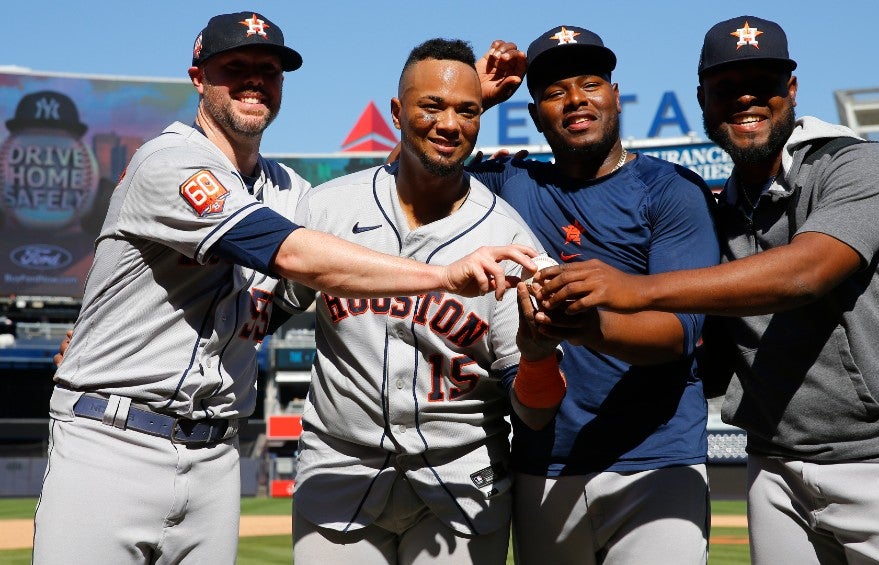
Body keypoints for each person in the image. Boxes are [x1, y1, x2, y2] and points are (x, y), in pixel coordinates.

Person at [32, 13, 536, 565]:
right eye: (236, 68)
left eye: (269, 70)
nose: (254, 80)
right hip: (115, 435)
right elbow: (292, 253)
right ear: (198, 77)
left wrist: (455, 107)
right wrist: (443, 276)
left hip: (215, 454)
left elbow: (384, 194)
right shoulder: (168, 160)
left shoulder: (293, 193)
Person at [538, 15, 879, 564]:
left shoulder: (860, 164)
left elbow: (805, 273)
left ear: (790, 90)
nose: (745, 101)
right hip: (773, 470)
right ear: (703, 101)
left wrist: (635, 291)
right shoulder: (721, 208)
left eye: (762, 86)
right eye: (726, 90)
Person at [288, 39, 563, 564]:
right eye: (431, 106)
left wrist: (538, 354)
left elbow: (535, 411)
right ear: (397, 112)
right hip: (340, 475)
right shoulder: (327, 207)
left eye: (467, 110)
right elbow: (260, 310)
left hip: (461, 486)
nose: (449, 124)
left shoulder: (509, 237)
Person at [467, 26, 720, 564]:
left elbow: (679, 334)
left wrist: (588, 327)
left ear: (615, 96)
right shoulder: (511, 182)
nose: (576, 99)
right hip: (542, 460)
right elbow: (404, 178)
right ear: (536, 114)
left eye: (590, 84)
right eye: (555, 91)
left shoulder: (671, 189)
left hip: (655, 458)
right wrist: (476, 99)